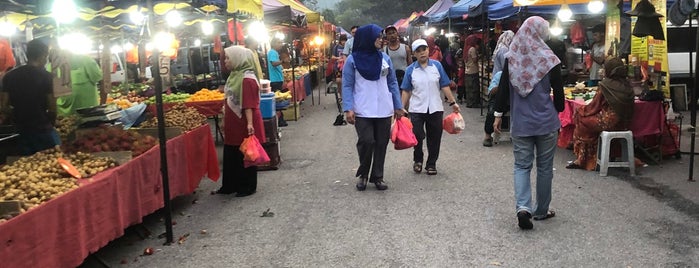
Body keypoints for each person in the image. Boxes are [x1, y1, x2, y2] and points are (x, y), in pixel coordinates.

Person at [493, 16, 564, 230]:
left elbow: (503, 90)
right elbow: (560, 100)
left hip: (521, 124)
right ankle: (541, 210)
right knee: (544, 168)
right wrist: (555, 108)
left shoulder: (511, 58)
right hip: (546, 123)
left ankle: (523, 208)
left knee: (522, 166)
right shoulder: (550, 59)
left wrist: (498, 114)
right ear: (541, 33)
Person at [342, 24, 404, 191]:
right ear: (367, 39)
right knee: (367, 141)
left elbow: (392, 82)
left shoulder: (385, 59)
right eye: (377, 36)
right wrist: (348, 108)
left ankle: (378, 176)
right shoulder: (352, 60)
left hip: (384, 108)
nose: (380, 39)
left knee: (381, 143)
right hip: (362, 109)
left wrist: (398, 105)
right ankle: (363, 173)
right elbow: (347, 85)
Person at [401, 39, 460, 175]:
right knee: (417, 135)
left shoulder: (437, 66)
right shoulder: (410, 70)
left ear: (428, 50)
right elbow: (406, 90)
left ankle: (431, 163)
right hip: (417, 109)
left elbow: (444, 85)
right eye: (418, 51)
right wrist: (401, 107)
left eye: (424, 50)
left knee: (435, 137)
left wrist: (453, 102)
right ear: (414, 54)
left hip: (435, 108)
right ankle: (418, 159)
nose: (422, 53)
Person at [566, 57, 634, 170]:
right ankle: (603, 154)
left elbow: (594, 106)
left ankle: (583, 159)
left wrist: (582, 110)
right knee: (587, 120)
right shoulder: (628, 85)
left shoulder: (606, 85)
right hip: (625, 123)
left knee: (581, 119)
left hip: (608, 122)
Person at [216, 46, 266, 197]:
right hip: (233, 121)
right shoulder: (233, 75)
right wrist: (224, 119)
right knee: (231, 152)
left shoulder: (247, 78)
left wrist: (249, 124)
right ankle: (230, 185)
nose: (225, 61)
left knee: (246, 153)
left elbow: (249, 103)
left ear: (238, 58)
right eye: (225, 58)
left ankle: (247, 186)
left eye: (228, 58)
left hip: (244, 121)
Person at [1, 39, 60, 155]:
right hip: (43, 130)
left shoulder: (9, 76)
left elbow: (3, 107)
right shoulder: (48, 77)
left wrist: (18, 113)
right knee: (53, 161)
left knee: (28, 165)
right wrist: (50, 123)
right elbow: (52, 107)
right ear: (44, 55)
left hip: (21, 131)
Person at [483, 30, 514, 147]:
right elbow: (493, 90)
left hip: (507, 87)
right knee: (493, 109)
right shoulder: (505, 51)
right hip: (499, 81)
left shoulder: (500, 49)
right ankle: (487, 135)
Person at [267, 38, 288, 127]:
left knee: (278, 99)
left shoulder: (274, 52)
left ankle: (280, 119)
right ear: (274, 43)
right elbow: (274, 63)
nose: (281, 44)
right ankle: (280, 120)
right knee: (277, 100)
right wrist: (283, 61)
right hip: (275, 79)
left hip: (277, 79)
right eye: (279, 42)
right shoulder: (272, 52)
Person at [463, 34, 481, 108]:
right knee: (474, 88)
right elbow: (474, 60)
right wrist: (479, 56)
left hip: (467, 70)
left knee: (469, 88)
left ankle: (469, 102)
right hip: (473, 70)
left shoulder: (466, 49)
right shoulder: (472, 49)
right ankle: (473, 103)